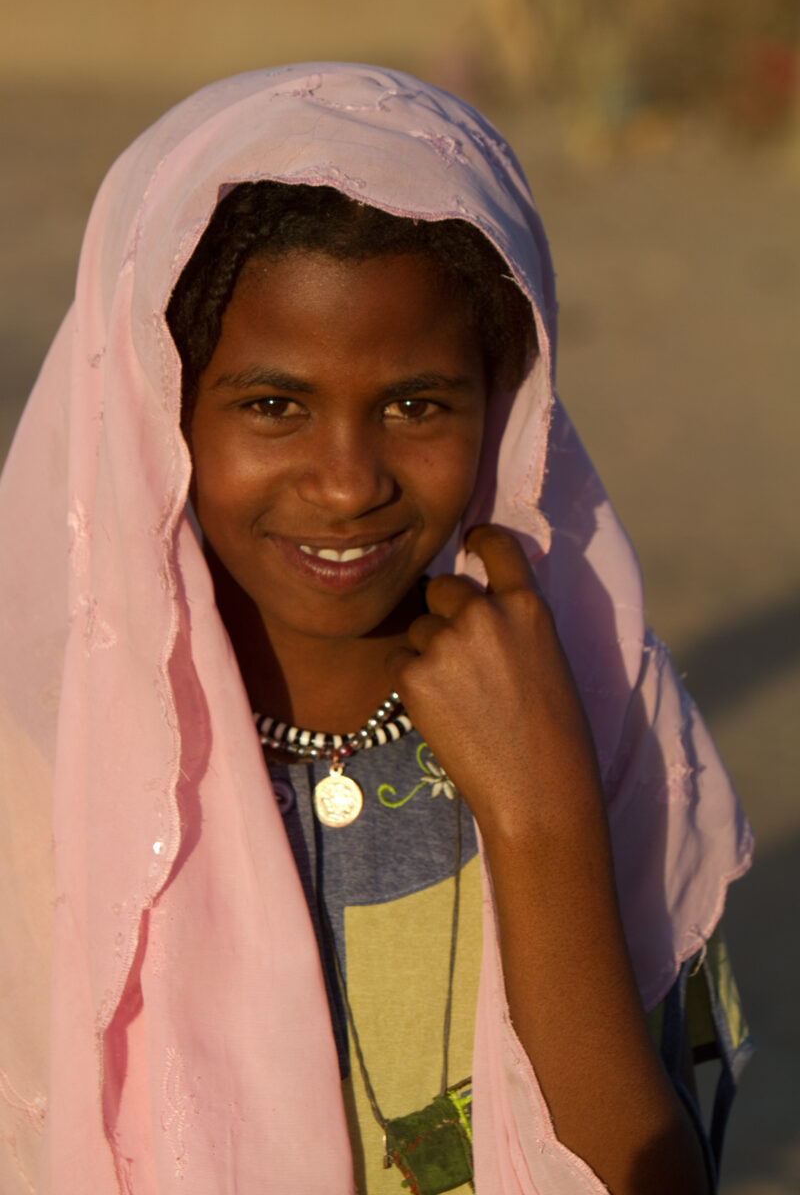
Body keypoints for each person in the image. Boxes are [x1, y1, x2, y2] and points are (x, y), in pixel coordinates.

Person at [0, 64, 753, 1195]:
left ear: (502, 397)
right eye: (272, 405)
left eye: (415, 403)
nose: (348, 484)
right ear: (155, 410)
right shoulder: (45, 772)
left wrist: (541, 820)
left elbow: (659, 1167)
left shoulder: (592, 709)